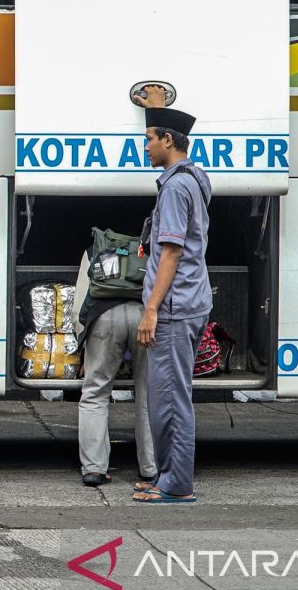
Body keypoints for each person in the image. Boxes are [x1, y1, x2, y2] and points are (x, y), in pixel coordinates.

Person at [131, 87, 212, 504]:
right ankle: (167, 476)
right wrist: (157, 112)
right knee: (165, 396)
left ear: (167, 140)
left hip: (175, 307)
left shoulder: (177, 188)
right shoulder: (192, 177)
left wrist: (151, 310)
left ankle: (176, 485)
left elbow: (171, 252)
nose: (144, 147)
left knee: (170, 398)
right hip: (184, 303)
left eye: (148, 139)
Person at [73, 251, 156, 487]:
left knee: (95, 392)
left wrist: (81, 345)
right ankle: (149, 468)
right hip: (145, 315)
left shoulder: (97, 247)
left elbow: (80, 300)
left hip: (103, 315)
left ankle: (94, 469)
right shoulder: (153, 246)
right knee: (148, 393)